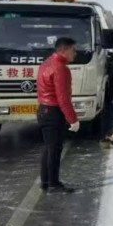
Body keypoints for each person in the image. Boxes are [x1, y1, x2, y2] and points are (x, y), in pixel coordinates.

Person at [36, 37, 79, 194]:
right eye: (73, 50)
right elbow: (63, 98)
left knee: (48, 148)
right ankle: (53, 185)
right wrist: (73, 119)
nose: (75, 53)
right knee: (54, 149)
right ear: (64, 50)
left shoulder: (47, 62)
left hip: (44, 109)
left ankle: (46, 182)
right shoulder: (61, 68)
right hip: (53, 112)